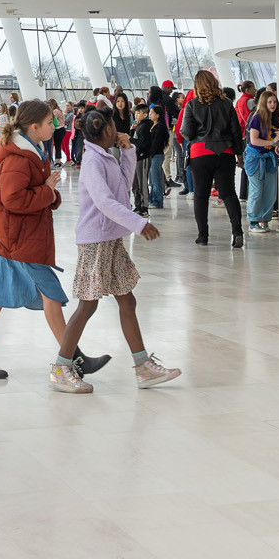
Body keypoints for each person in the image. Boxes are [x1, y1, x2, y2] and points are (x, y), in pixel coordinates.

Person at [50, 108, 182, 393]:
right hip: (95, 242)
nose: (118, 128)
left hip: (110, 239)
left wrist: (129, 150)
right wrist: (139, 224)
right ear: (107, 129)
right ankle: (61, 369)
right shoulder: (92, 162)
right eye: (114, 125)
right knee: (88, 304)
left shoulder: (105, 156)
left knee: (127, 301)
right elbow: (105, 202)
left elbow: (123, 185)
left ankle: (144, 368)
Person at [0, 99, 72, 380]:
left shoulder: (34, 152)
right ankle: (71, 356)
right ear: (34, 126)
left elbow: (37, 192)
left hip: (18, 236)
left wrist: (49, 193)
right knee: (52, 293)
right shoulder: (19, 157)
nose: (54, 125)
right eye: (50, 122)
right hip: (20, 239)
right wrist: (48, 193)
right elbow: (13, 199)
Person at [177, 70, 244, 248]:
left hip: (200, 153)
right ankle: (237, 232)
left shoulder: (191, 105)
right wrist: (239, 153)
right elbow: (236, 131)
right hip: (225, 153)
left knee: (200, 196)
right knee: (229, 194)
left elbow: (187, 132)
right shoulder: (227, 103)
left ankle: (203, 236)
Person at [243, 88, 279, 233]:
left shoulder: (277, 118)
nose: (273, 104)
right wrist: (273, 142)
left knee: (270, 192)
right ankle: (253, 221)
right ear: (263, 103)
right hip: (255, 157)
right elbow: (254, 140)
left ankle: (264, 219)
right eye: (269, 102)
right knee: (256, 190)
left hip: (269, 158)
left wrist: (278, 143)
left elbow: (278, 138)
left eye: (274, 102)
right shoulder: (257, 117)